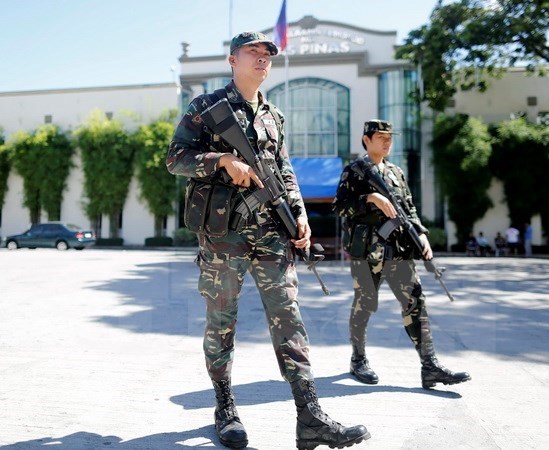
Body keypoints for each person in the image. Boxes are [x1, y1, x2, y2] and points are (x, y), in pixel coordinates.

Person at [166, 32, 370, 449]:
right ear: (232, 59)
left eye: (267, 55)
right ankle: (225, 408)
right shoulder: (206, 108)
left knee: (289, 318)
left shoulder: (273, 115)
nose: (262, 60)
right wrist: (221, 160)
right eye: (253, 53)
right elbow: (175, 157)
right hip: (224, 235)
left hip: (272, 235)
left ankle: (310, 415)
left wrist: (299, 214)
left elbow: (285, 169)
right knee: (221, 322)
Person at [332, 120, 471, 390]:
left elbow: (409, 208)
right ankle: (358, 359)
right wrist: (370, 199)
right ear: (366, 139)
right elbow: (340, 206)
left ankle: (429, 365)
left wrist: (421, 235)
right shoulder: (355, 171)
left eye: (389, 138)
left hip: (399, 250)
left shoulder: (396, 172)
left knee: (415, 302)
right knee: (365, 304)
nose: (387, 142)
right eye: (381, 137)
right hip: (367, 253)